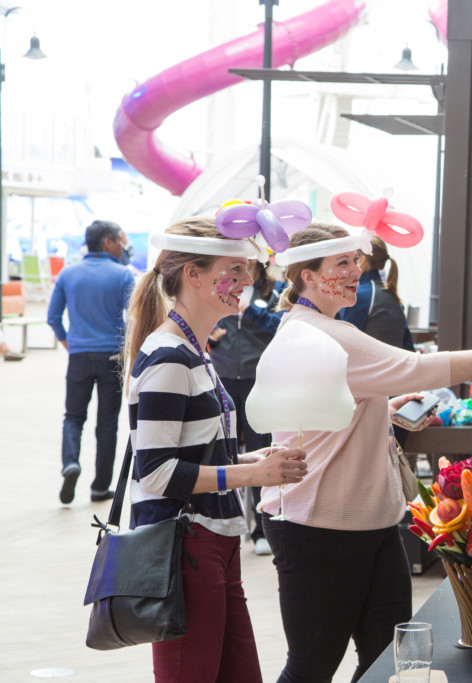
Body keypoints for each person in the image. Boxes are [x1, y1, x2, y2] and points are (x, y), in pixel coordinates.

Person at [262, 223, 472, 682]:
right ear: (307, 276)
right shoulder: (327, 335)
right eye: (342, 262)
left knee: (390, 660)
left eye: (356, 260)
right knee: (314, 666)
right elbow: (416, 368)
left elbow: (333, 408)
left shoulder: (319, 328)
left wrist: (380, 406)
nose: (357, 270)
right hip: (320, 527)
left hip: (370, 522)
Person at [123, 217, 307, 682]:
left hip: (216, 542)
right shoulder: (169, 356)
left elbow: (192, 457)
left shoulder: (194, 350)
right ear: (194, 275)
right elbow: (158, 473)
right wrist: (250, 476)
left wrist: (251, 462)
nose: (247, 281)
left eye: (247, 270)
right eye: (236, 269)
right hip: (185, 545)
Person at [47, 220, 136, 504]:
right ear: (108, 243)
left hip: (79, 356)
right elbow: (134, 319)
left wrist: (69, 344)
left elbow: (52, 317)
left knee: (73, 416)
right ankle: (100, 487)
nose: (123, 247)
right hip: (112, 357)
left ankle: (70, 463)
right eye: (120, 241)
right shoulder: (123, 275)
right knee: (108, 423)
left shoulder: (68, 274)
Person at [209, 260, 286, 556]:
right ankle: (227, 521)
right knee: (226, 451)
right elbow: (204, 319)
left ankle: (260, 529)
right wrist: (211, 334)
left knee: (260, 448)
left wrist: (252, 311)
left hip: (259, 379)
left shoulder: (274, 290)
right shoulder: (222, 285)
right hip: (224, 376)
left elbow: (282, 326)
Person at [339, 235, 415, 352]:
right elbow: (409, 347)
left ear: (362, 260)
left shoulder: (360, 296)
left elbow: (344, 346)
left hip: (369, 369)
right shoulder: (393, 297)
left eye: (353, 259)